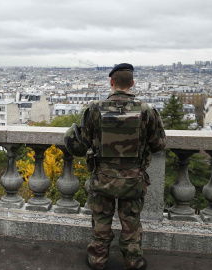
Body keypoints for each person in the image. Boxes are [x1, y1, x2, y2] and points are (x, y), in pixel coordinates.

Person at [64, 63, 166, 270]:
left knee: (101, 220)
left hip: (102, 176)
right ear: (132, 83)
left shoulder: (94, 109)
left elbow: (80, 143)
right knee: (131, 222)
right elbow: (158, 144)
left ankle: (97, 259)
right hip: (134, 178)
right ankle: (133, 260)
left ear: (111, 82)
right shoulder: (146, 110)